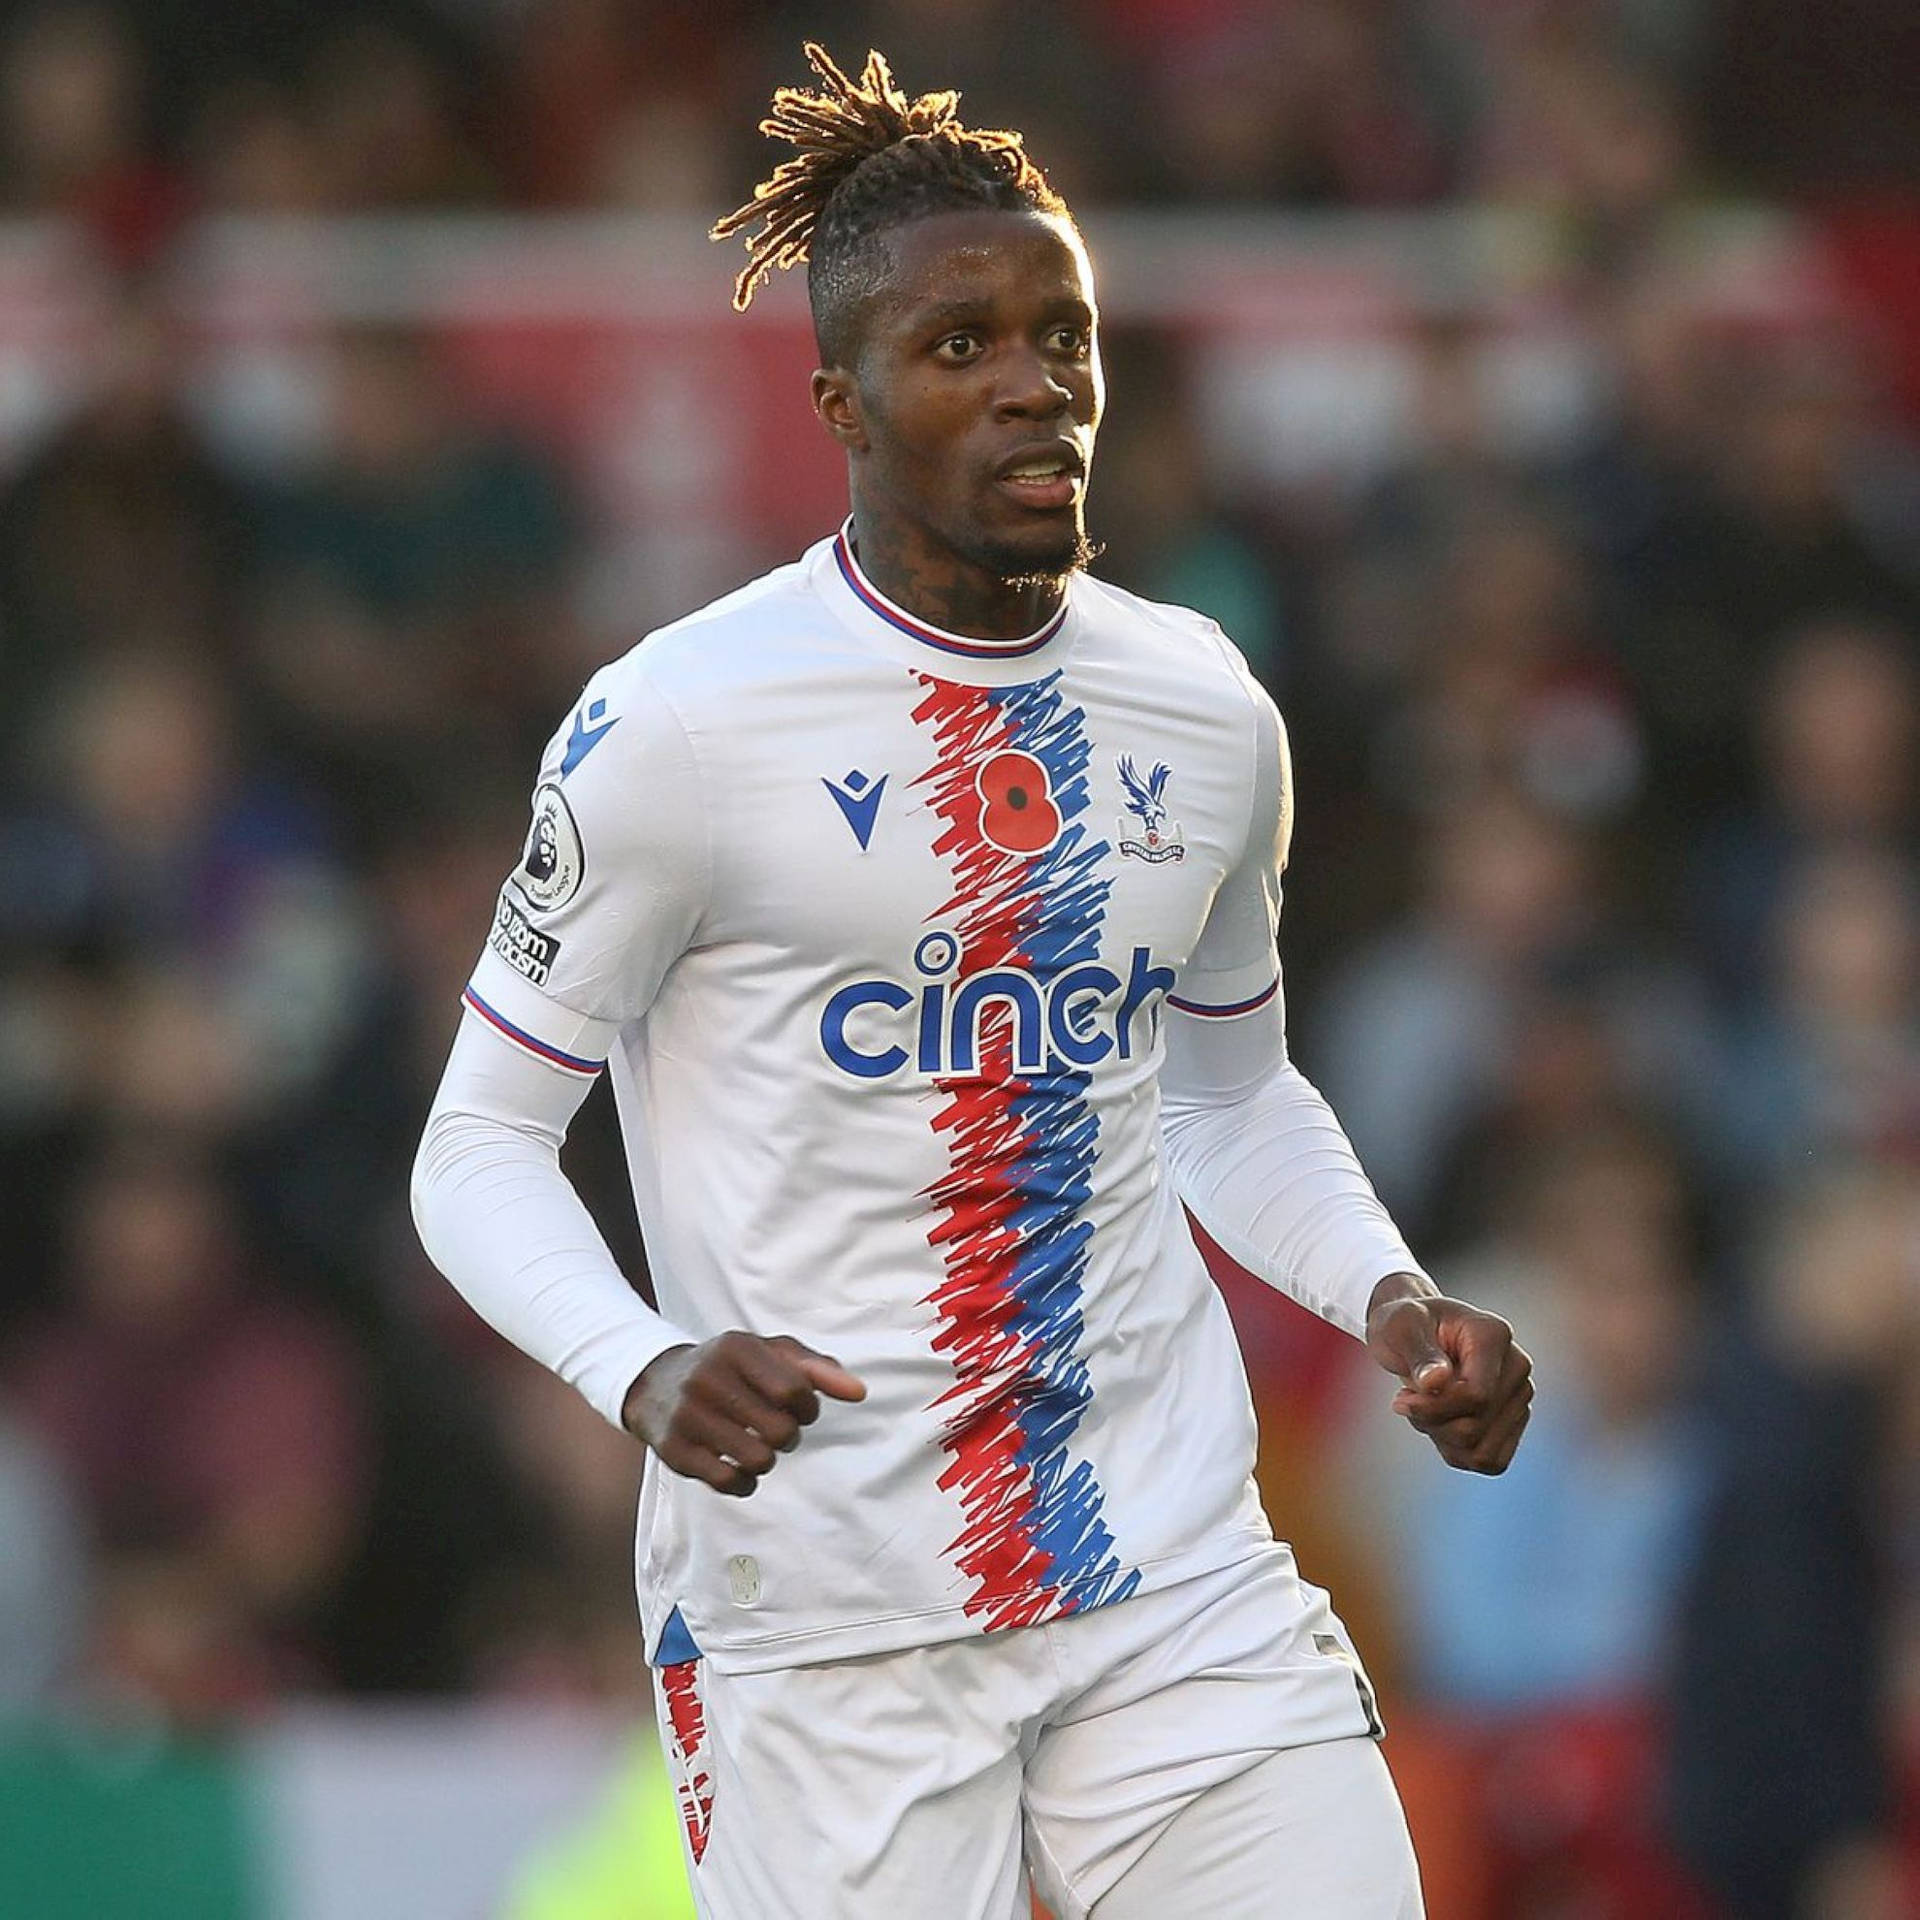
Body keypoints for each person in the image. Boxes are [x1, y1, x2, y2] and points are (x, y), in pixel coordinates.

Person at [412, 45, 1533, 1920]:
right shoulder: (676, 729)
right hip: (826, 1618)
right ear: (841, 400)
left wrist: (1390, 1295)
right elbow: (477, 1148)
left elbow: (1225, 1093)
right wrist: (642, 1363)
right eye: (962, 348)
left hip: (1172, 1576)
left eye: (1064, 340)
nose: (1035, 388)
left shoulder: (1200, 708)